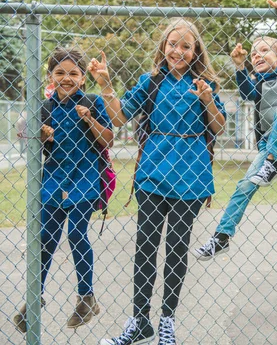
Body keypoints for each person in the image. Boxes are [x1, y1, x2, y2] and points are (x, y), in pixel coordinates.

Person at [94, 18, 226, 345]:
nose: (177, 50)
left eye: (185, 45)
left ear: (196, 51)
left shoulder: (204, 82)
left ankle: (166, 319)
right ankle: (140, 321)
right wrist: (106, 84)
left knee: (177, 249)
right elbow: (119, 116)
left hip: (190, 179)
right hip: (152, 175)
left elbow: (220, 127)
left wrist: (207, 99)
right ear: (163, 46)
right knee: (146, 249)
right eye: (172, 44)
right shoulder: (151, 81)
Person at [194, 0, 277, 260]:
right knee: (243, 186)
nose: (257, 55)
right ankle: (221, 237)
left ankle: (270, 165)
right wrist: (239, 65)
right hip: (269, 149)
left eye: (264, 50)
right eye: (253, 52)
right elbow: (246, 91)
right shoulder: (259, 85)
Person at [13, 47, 114, 332]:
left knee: (76, 233)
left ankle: (86, 296)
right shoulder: (45, 108)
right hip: (54, 180)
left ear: (83, 78)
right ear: (50, 77)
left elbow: (108, 140)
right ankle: (34, 298)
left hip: (85, 179)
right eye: (60, 73)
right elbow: (29, 139)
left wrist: (89, 119)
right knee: (45, 238)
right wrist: (43, 136)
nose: (66, 78)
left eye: (73, 73)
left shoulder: (92, 102)